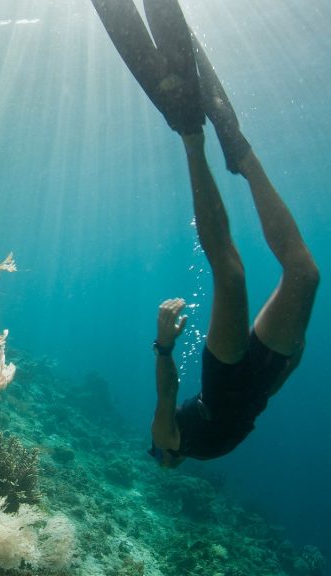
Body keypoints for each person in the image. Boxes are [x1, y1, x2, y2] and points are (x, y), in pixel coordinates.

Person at [91, 0, 320, 467]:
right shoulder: (205, 454)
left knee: (230, 274)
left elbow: (167, 393)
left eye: (160, 460)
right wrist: (290, 364)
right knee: (305, 274)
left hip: (225, 374)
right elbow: (258, 408)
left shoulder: (166, 441)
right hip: (261, 375)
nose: (164, 463)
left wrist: (163, 344)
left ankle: (192, 138)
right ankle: (239, 152)